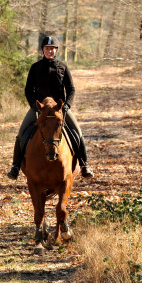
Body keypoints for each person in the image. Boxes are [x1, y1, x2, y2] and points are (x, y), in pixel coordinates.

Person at [6, 35, 94, 180]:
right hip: (39, 109)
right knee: (22, 133)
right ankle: (15, 166)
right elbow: (28, 90)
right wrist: (34, 105)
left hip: (59, 109)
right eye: (47, 49)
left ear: (56, 50)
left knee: (77, 132)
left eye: (52, 49)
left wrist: (67, 105)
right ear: (43, 50)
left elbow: (71, 89)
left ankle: (85, 165)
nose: (50, 51)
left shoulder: (63, 67)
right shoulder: (35, 68)